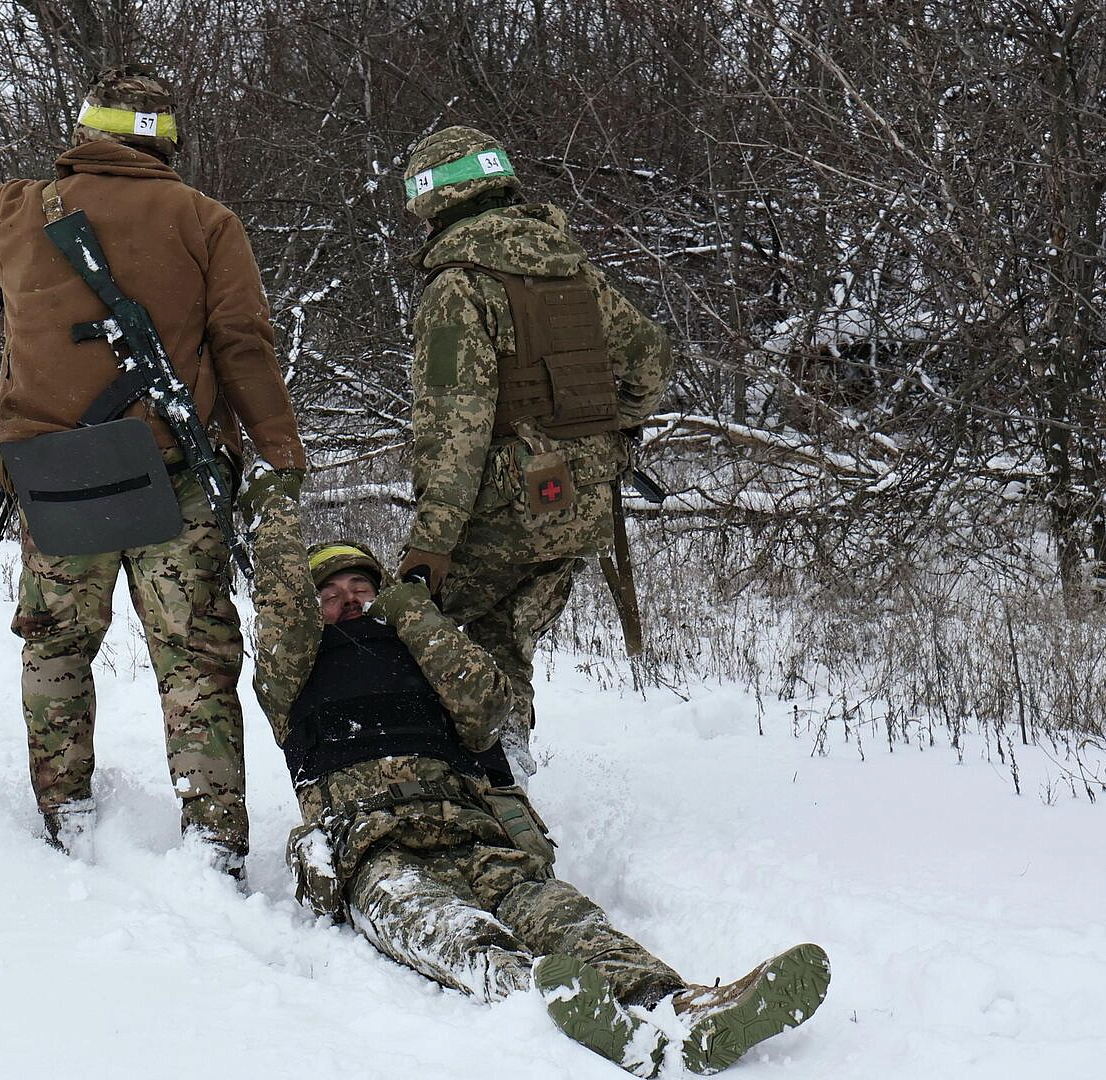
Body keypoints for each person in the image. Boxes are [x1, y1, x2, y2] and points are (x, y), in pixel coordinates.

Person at [0, 67, 308, 875]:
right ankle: (214, 842)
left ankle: (67, 814)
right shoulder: (206, 220)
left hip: (57, 480)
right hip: (174, 479)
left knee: (56, 646)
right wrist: (279, 455)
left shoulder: (18, 211)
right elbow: (243, 346)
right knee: (193, 657)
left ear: (87, 132)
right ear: (163, 140)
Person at [240, 467, 829, 1077]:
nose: (349, 601)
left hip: (472, 829)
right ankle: (557, 1009)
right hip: (372, 850)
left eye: (361, 587)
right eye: (329, 596)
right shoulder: (293, 676)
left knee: (563, 918)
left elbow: (491, 706)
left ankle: (677, 1008)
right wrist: (275, 510)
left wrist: (414, 616)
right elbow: (281, 607)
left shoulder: (425, 656)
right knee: (452, 932)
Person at [393, 127, 673, 775]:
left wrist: (431, 544)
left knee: (402, 630)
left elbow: (453, 431)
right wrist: (609, 435)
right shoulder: (576, 272)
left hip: (500, 506)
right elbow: (650, 363)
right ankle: (505, 761)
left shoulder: (458, 287)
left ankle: (411, 776)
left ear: (434, 205)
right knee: (505, 639)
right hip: (579, 502)